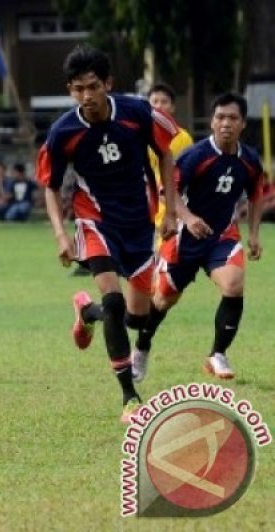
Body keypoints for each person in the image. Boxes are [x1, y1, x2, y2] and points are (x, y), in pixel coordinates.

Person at [35, 45, 179, 423]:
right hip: (94, 221)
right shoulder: (63, 131)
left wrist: (171, 209)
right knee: (114, 303)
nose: (87, 96)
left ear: (108, 84)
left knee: (135, 319)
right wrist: (60, 235)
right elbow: (50, 186)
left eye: (93, 87)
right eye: (78, 89)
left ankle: (85, 311)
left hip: (140, 223)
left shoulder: (137, 113)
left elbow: (167, 153)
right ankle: (130, 399)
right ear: (70, 91)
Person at [130, 93, 264, 383]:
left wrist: (253, 233)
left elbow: (257, 193)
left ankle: (217, 354)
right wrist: (188, 219)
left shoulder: (250, 160)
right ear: (213, 122)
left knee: (233, 284)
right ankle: (141, 347)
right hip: (184, 239)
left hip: (222, 236)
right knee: (163, 300)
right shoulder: (196, 155)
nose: (225, 124)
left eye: (232, 118)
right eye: (220, 118)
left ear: (242, 124)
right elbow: (170, 189)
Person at [147, 83, 194, 243]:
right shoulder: (140, 135)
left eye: (164, 102)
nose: (159, 106)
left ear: (173, 107)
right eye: (155, 101)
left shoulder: (183, 138)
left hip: (170, 205)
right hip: (144, 206)